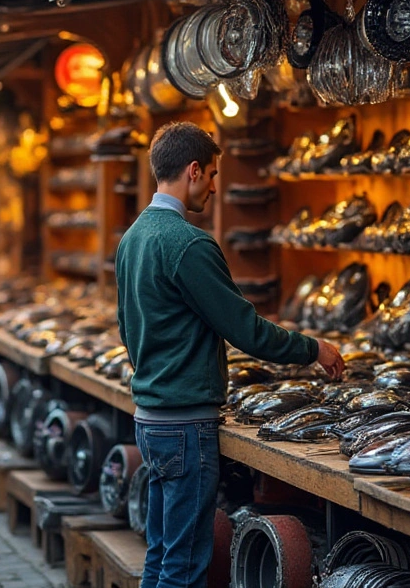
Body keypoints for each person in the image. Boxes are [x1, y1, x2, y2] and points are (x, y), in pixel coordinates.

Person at [115, 123, 344, 588]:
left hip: (150, 417)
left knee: (160, 555)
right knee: (184, 565)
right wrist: (313, 348)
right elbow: (246, 330)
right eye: (213, 174)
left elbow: (126, 327)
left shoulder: (133, 237)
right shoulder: (188, 244)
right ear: (193, 171)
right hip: (183, 424)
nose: (216, 187)